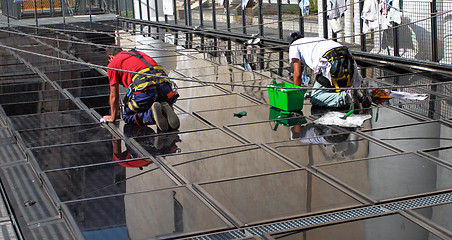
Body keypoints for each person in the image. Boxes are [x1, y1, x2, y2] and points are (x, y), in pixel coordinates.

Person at [102, 46, 180, 131]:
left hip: (146, 92)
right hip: (166, 89)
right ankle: (167, 108)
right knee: (156, 101)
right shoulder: (138, 54)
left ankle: (153, 115)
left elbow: (114, 95)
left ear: (110, 57)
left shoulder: (113, 64)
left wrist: (113, 117)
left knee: (127, 116)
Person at [288, 32, 371, 109]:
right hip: (347, 56)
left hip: (330, 60)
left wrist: (297, 97)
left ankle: (346, 96)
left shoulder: (294, 45)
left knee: (316, 97)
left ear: (290, 43)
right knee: (338, 86)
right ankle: (359, 94)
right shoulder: (314, 39)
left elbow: (297, 74)